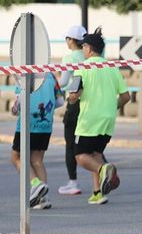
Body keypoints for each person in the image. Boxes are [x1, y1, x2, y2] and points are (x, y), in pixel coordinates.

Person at [70, 28, 125, 204]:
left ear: (89, 48)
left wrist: (70, 99)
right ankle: (98, 193)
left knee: (80, 156)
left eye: (83, 46)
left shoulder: (83, 68)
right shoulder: (112, 67)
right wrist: (110, 107)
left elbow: (74, 95)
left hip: (89, 120)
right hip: (108, 119)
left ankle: (104, 169)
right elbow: (126, 97)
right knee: (96, 153)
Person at [11, 50, 59, 210]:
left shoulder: (24, 74)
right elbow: (59, 101)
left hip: (27, 123)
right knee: (37, 160)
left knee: (16, 158)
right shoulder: (51, 74)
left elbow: (18, 102)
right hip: (45, 124)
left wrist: (14, 109)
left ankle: (35, 183)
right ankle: (43, 198)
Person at [56, 25, 89, 195]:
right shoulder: (88, 56)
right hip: (90, 103)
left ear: (71, 40)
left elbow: (63, 82)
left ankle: (73, 182)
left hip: (75, 102)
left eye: (67, 39)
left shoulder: (68, 57)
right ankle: (103, 172)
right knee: (93, 144)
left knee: (70, 143)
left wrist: (50, 81)